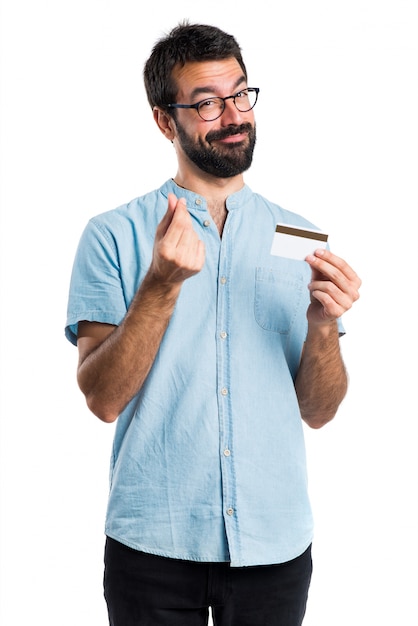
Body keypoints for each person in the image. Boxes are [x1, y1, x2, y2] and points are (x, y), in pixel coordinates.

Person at [65, 21, 361, 626]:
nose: (233, 115)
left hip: (274, 546)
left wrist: (323, 326)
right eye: (206, 102)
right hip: (152, 545)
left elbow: (320, 411)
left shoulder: (300, 238)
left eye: (241, 94)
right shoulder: (113, 235)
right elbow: (101, 399)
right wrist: (161, 285)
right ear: (164, 121)